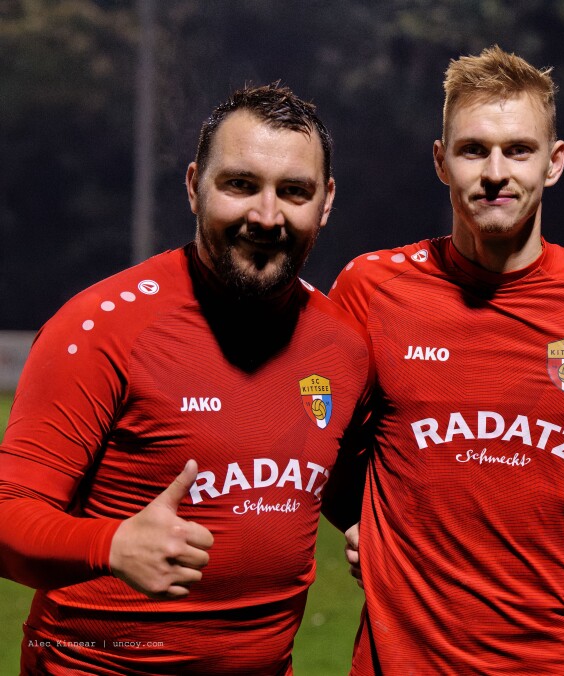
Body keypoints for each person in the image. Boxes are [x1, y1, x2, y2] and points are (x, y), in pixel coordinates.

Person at [0, 83, 372, 675]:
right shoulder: (103, 327)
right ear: (195, 185)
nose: (266, 216)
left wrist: (373, 527)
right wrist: (112, 546)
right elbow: (8, 514)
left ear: (325, 202)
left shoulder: (344, 345)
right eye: (240, 185)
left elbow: (332, 478)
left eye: (293, 191)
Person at [327, 46, 564, 673]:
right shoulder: (371, 289)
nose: (496, 171)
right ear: (441, 161)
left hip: (545, 658)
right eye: (474, 150)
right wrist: (365, 518)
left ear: (554, 163)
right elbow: (312, 438)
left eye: (519, 150)